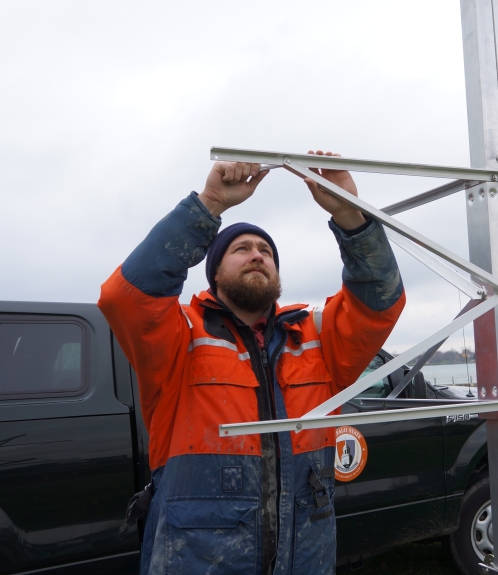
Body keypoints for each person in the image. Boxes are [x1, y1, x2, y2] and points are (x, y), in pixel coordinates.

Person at [98, 153, 405, 575]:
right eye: (241, 249)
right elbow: (126, 297)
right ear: (215, 274)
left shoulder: (317, 340)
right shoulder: (178, 340)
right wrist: (210, 204)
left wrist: (350, 214)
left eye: (265, 251)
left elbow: (379, 302)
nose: (257, 254)